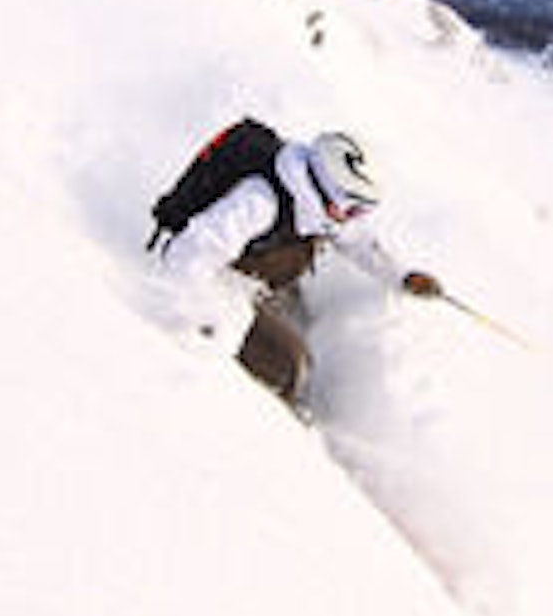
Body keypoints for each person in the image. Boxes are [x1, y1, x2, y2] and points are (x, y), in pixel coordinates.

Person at [159, 129, 443, 416]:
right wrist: (202, 318)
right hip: (219, 288)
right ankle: (279, 422)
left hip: (257, 275)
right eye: (355, 209)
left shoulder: (318, 204)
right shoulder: (260, 201)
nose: (356, 216)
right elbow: (189, 255)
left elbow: (358, 240)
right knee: (293, 365)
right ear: (332, 192)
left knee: (299, 313)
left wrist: (402, 276)